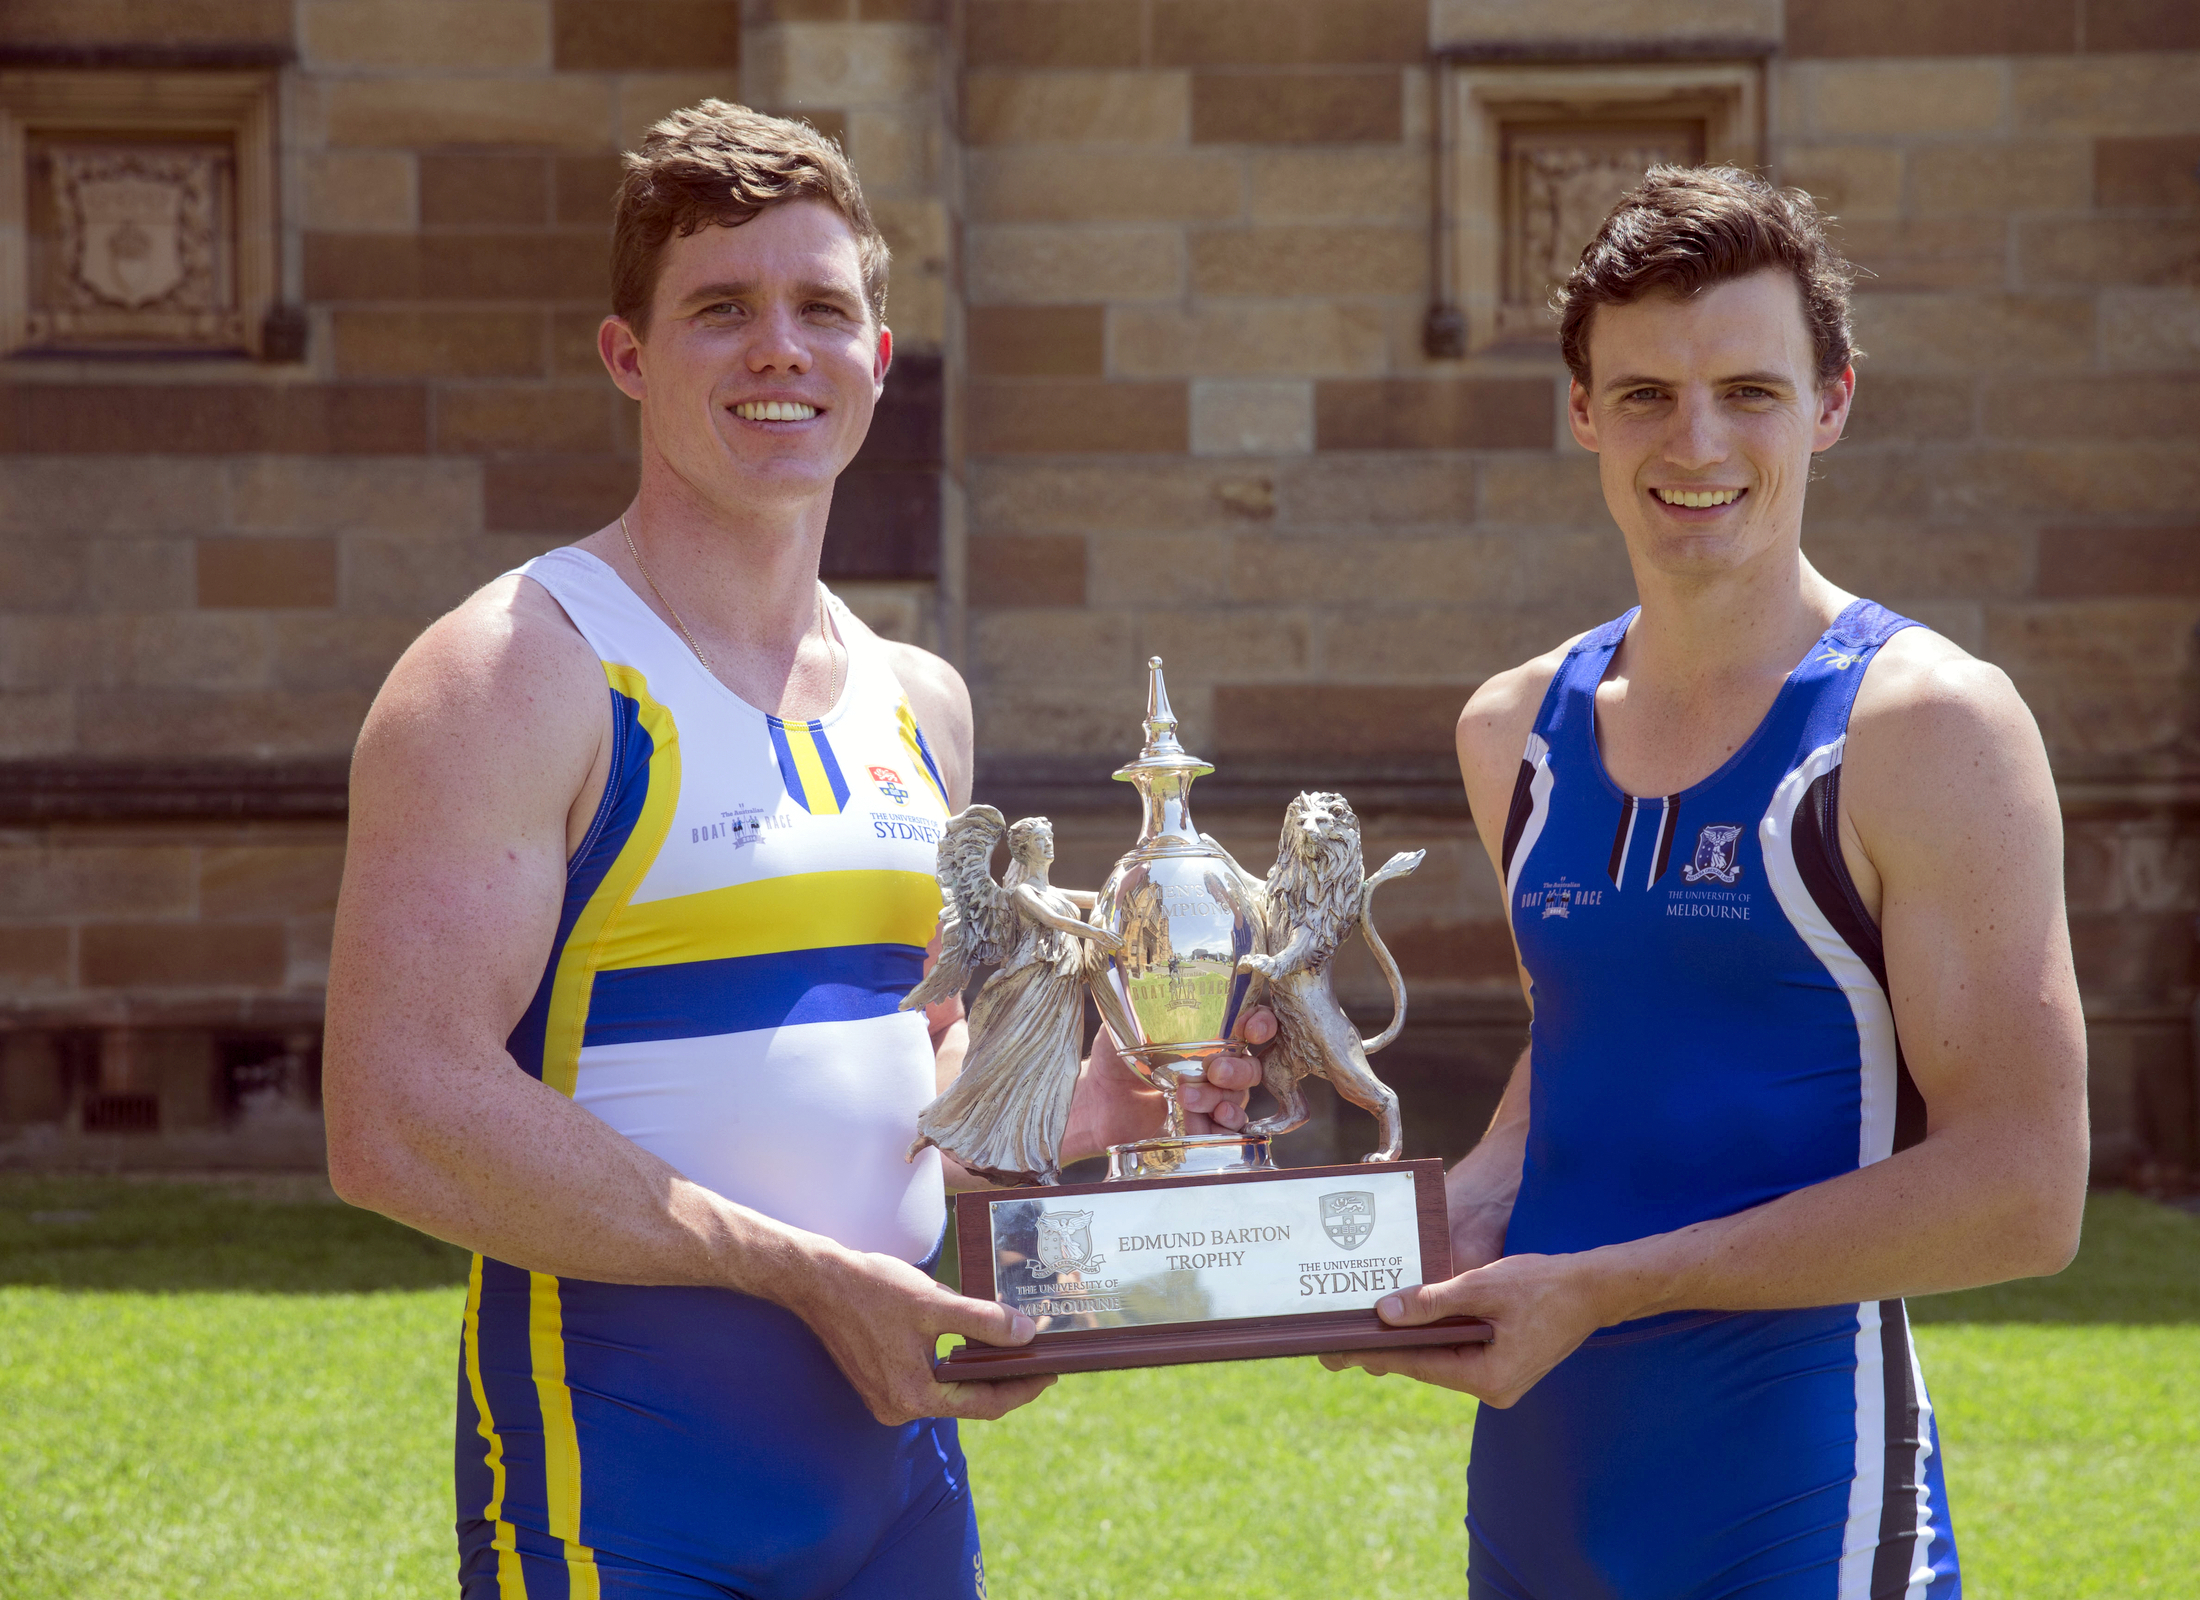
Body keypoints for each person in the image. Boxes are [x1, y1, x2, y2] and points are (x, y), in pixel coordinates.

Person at [320, 101, 1257, 1600]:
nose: (781, 349)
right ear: (630, 358)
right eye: (722, 311)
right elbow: (395, 1115)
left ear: (877, 360)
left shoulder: (920, 701)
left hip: (898, 1478)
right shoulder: (519, 669)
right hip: (624, 1481)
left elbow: (909, 1067)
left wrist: (1090, 1104)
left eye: (824, 308)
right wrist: (791, 1271)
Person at [1323, 167, 2090, 1599]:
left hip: (1803, 1504)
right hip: (1541, 1493)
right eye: (1643, 396)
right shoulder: (1515, 729)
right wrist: (1463, 1205)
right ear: (1579, 412)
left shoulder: (1923, 725)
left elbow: (2025, 1193)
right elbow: (1602, 1027)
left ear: (1833, 401)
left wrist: (1612, 1283)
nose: (1697, 442)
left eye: (1750, 390)